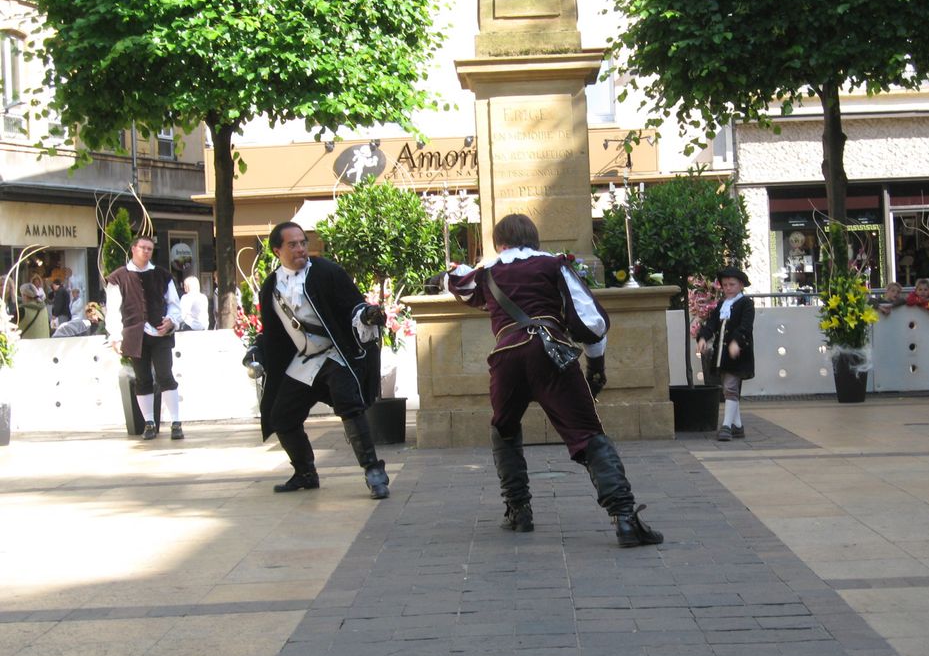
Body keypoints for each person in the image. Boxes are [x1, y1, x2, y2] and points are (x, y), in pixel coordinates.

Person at [436, 213, 663, 548]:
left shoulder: (488, 272)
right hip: (548, 353)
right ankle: (626, 518)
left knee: (505, 426)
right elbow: (591, 320)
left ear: (500, 243)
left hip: (506, 357)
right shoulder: (553, 265)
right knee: (587, 433)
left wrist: (452, 270)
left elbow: (455, 281)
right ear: (535, 239)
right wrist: (596, 365)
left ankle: (519, 511)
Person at [251, 221, 391, 498]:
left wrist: (366, 315)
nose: (301, 248)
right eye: (293, 244)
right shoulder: (272, 286)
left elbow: (354, 304)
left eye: (303, 242)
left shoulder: (325, 272)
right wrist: (257, 349)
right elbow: (273, 331)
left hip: (336, 353)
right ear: (277, 250)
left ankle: (374, 471)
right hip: (305, 360)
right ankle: (305, 472)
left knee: (349, 405)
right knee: (282, 416)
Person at [105, 235, 185, 441]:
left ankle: (176, 422)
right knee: (142, 379)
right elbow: (113, 309)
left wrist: (171, 322)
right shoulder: (118, 277)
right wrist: (115, 335)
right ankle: (149, 422)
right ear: (133, 249)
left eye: (150, 248)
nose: (147, 251)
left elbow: (175, 305)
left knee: (165, 374)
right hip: (134, 333)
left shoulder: (162, 275)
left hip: (160, 332)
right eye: (143, 247)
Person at [695, 267, 755, 442]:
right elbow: (712, 324)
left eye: (732, 284)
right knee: (730, 389)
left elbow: (745, 326)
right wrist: (703, 338)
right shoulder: (721, 305)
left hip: (738, 354)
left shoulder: (746, 304)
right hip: (722, 355)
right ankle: (737, 426)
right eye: (725, 285)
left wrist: (737, 341)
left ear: (741, 285)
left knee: (729, 388)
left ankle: (727, 426)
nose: (728, 288)